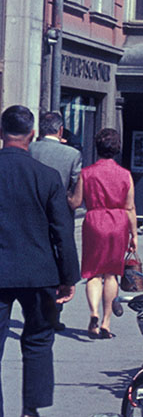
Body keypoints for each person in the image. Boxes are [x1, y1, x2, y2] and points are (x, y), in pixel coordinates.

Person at [0, 105, 79, 417]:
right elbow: (62, 230)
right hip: (40, 273)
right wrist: (68, 277)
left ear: (1, 133)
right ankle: (30, 413)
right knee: (38, 341)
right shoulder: (46, 176)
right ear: (31, 136)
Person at [71, 128, 137, 339]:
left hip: (94, 222)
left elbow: (76, 202)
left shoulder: (86, 173)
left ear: (97, 147)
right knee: (111, 274)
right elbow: (130, 207)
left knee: (92, 273)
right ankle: (107, 322)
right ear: (117, 149)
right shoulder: (125, 174)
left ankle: (93, 313)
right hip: (118, 224)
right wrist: (134, 235)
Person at [29, 111, 82, 331]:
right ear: (60, 130)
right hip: (58, 214)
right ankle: (53, 313)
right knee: (57, 259)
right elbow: (75, 185)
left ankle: (32, 306)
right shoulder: (71, 154)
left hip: (30, 213)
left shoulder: (29, 149)